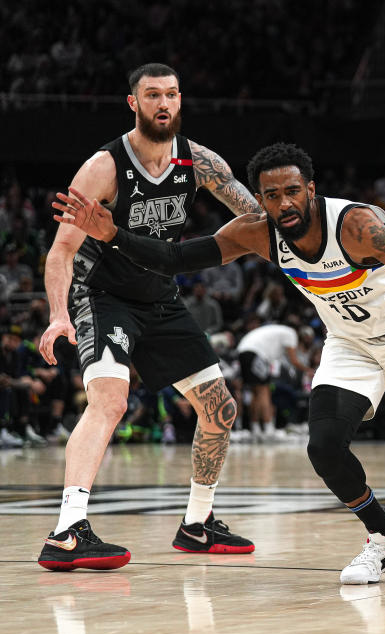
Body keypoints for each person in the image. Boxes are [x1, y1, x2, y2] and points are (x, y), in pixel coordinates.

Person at [53, 142, 385, 585]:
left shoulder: (358, 227)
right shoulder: (256, 232)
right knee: (324, 446)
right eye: (272, 194)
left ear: (311, 188)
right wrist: (111, 234)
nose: (284, 203)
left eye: (292, 190)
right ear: (259, 198)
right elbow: (174, 259)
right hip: (351, 343)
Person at [37, 63, 258, 571]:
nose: (165, 103)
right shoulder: (104, 167)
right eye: (153, 95)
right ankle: (67, 531)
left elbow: (253, 219)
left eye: (173, 94)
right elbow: (61, 251)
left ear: (181, 102)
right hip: (104, 295)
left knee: (220, 409)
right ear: (133, 103)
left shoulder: (199, 162)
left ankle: (197, 526)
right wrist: (56, 314)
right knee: (110, 401)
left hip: (160, 297)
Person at [235, 322, 313, 440]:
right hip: (256, 353)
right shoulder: (291, 333)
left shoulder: (278, 332)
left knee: (255, 392)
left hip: (244, 351)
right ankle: (268, 429)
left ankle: (255, 428)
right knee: (264, 390)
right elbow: (294, 360)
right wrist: (309, 370)